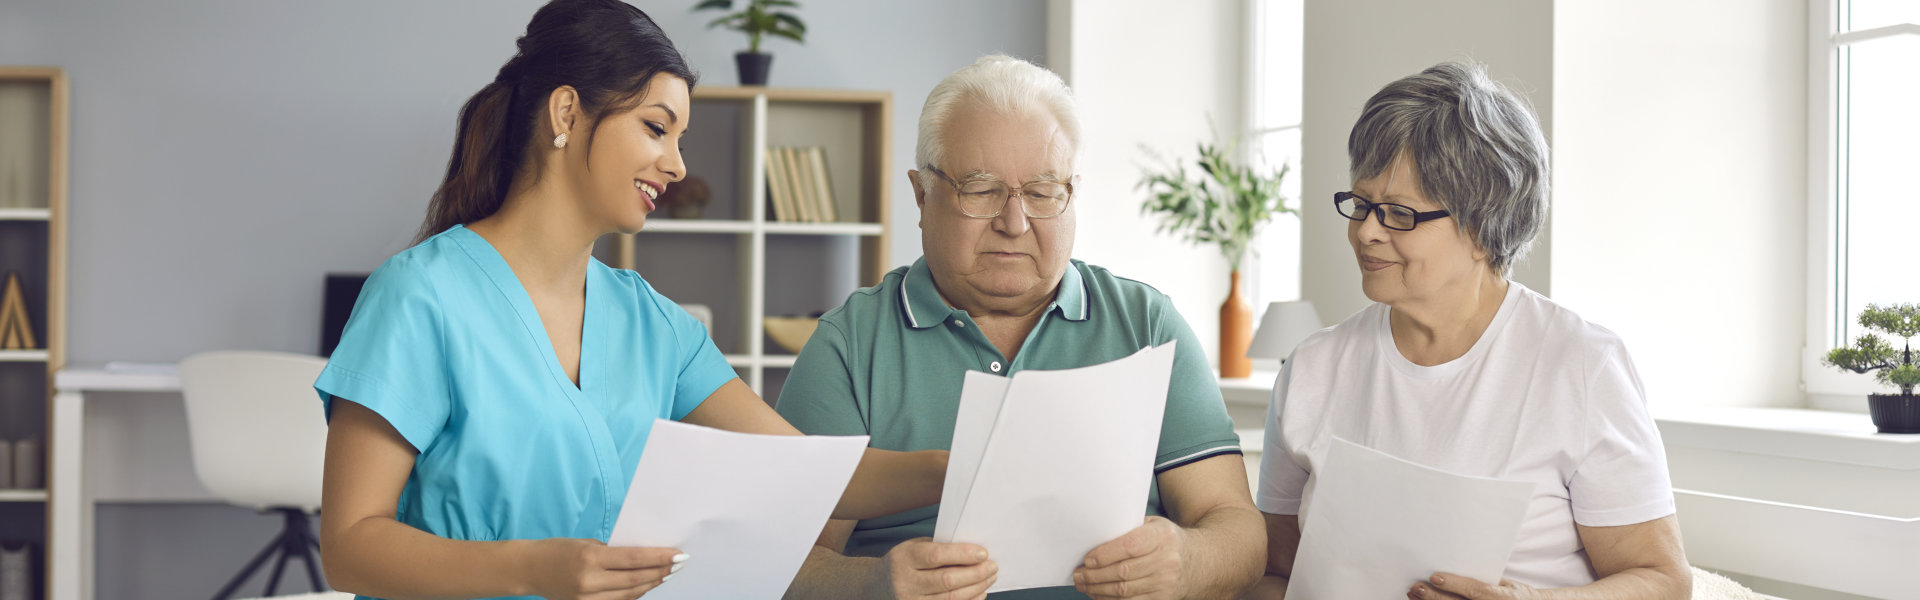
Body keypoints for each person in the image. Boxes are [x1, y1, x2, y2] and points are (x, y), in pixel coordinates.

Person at [314, 2, 946, 599]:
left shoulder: (655, 324)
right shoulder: (420, 296)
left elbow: (811, 475)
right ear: (566, 114)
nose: (675, 165)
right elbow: (349, 544)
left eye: (679, 138)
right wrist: (535, 567)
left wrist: (957, 467)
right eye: (656, 128)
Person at [775, 55, 1266, 600]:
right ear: (921, 195)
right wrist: (871, 584)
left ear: (1072, 194)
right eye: (981, 190)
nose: (1014, 223)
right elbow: (783, 562)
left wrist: (1189, 560)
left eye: (1042, 192)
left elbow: (1237, 528)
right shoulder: (849, 346)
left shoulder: (1147, 325)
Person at [1251, 61, 1691, 600]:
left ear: (1484, 228)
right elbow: (1274, 573)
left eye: (1398, 214)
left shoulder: (1581, 365)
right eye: (1361, 205)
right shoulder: (1312, 368)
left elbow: (1663, 581)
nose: (1366, 232)